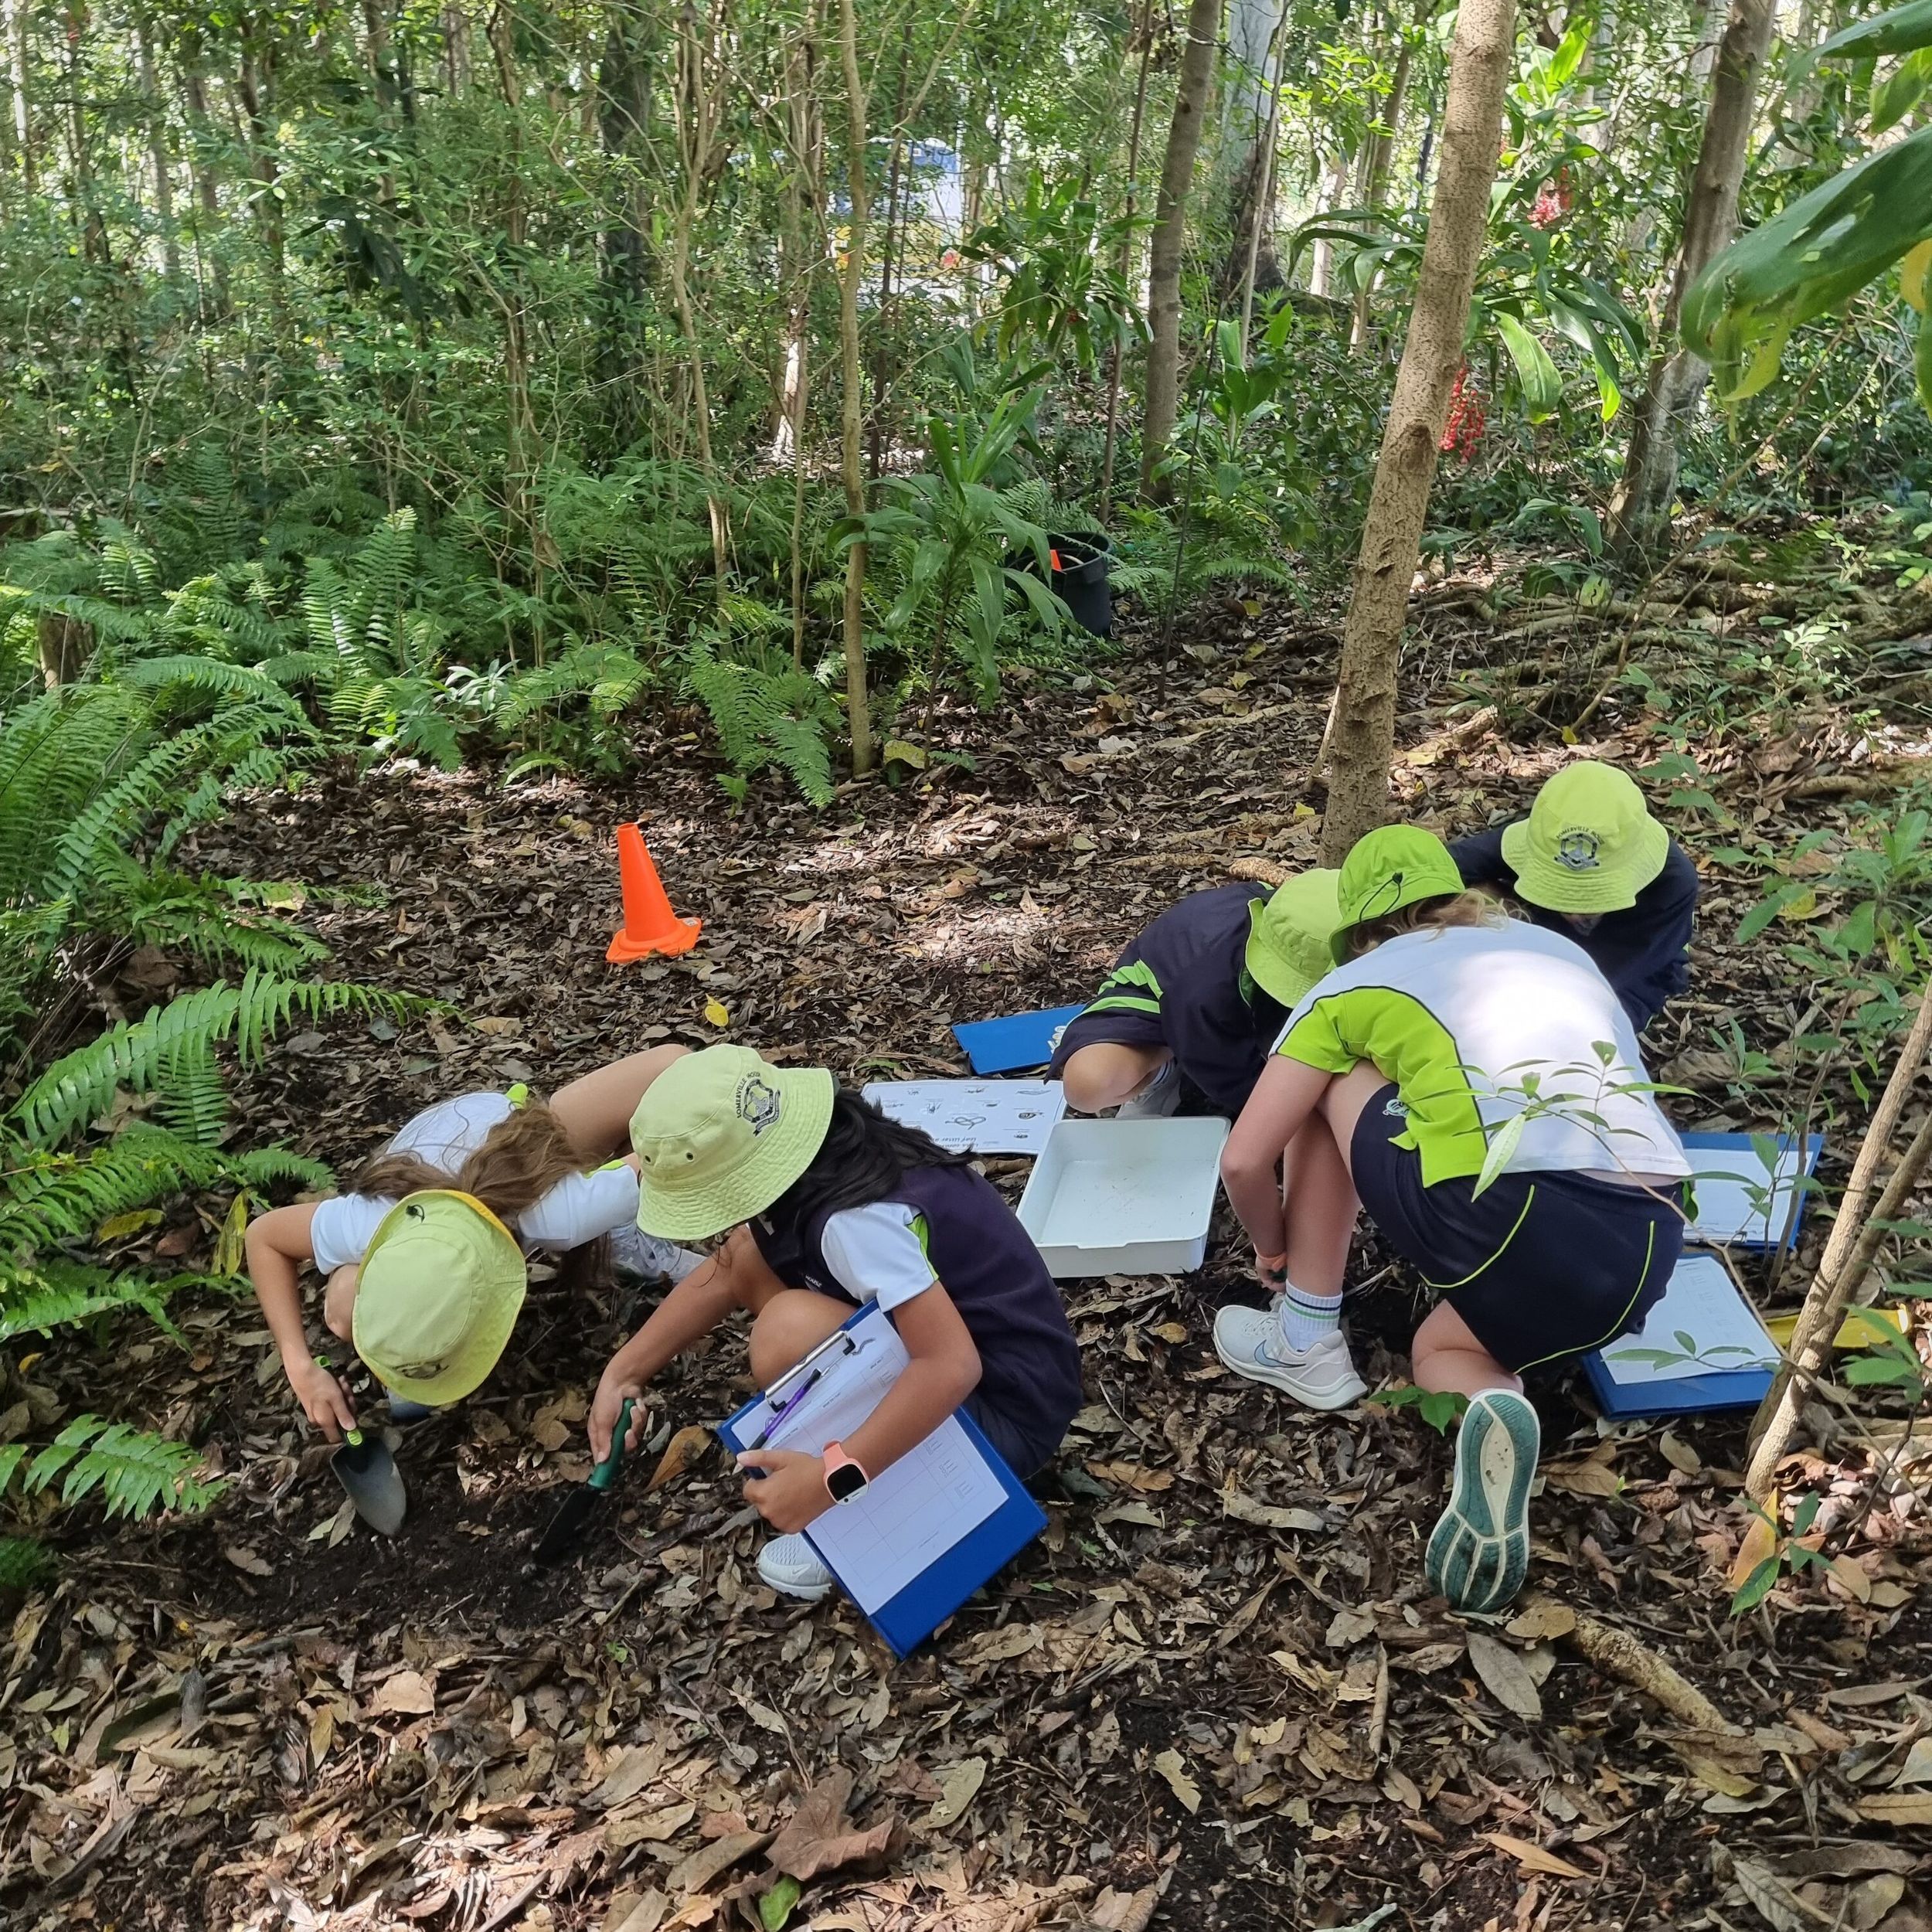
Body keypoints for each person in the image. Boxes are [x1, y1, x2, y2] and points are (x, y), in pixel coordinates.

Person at [1215, 826, 1691, 1614]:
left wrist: (1271, 1243)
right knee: (1442, 1348)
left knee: (1325, 1076)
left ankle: (1303, 1335)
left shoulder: (1352, 983)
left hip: (1508, 1208)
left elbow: (1242, 1160)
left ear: (1359, 930)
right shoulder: (1553, 949)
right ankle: (1496, 1407)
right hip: (1647, 1239)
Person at [590, 1044, 1083, 1602]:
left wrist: (834, 1480)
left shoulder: (855, 1222)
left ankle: (897, 1506)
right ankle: (879, 1462)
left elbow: (951, 1364)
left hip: (1007, 1421)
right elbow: (734, 1265)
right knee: (753, 1256)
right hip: (1008, 1375)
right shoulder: (834, 1152)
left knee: (787, 1331)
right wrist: (623, 1371)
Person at [247, 1047, 699, 1440]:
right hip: (427, 1155)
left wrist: (619, 1189)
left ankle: (627, 1236)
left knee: (674, 1076)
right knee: (344, 1306)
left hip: (519, 1138)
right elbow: (264, 1237)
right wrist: (300, 1366)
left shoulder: (563, 1212)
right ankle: (409, 1355)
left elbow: (678, 1086)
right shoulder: (368, 1221)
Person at [1048, 870, 1343, 1119]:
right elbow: (1229, 1075)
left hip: (1218, 1004)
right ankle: (1164, 1068)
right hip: (1161, 1003)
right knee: (1088, 1085)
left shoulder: (1320, 913)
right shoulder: (1202, 985)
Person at [1448, 760, 1697, 1032]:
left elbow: (1595, 983)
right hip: (1534, 941)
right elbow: (1439, 866)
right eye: (1563, 892)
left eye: (1592, 899)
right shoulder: (1547, 835)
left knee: (1581, 1031)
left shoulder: (1671, 885)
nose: (1576, 913)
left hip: (1626, 971)